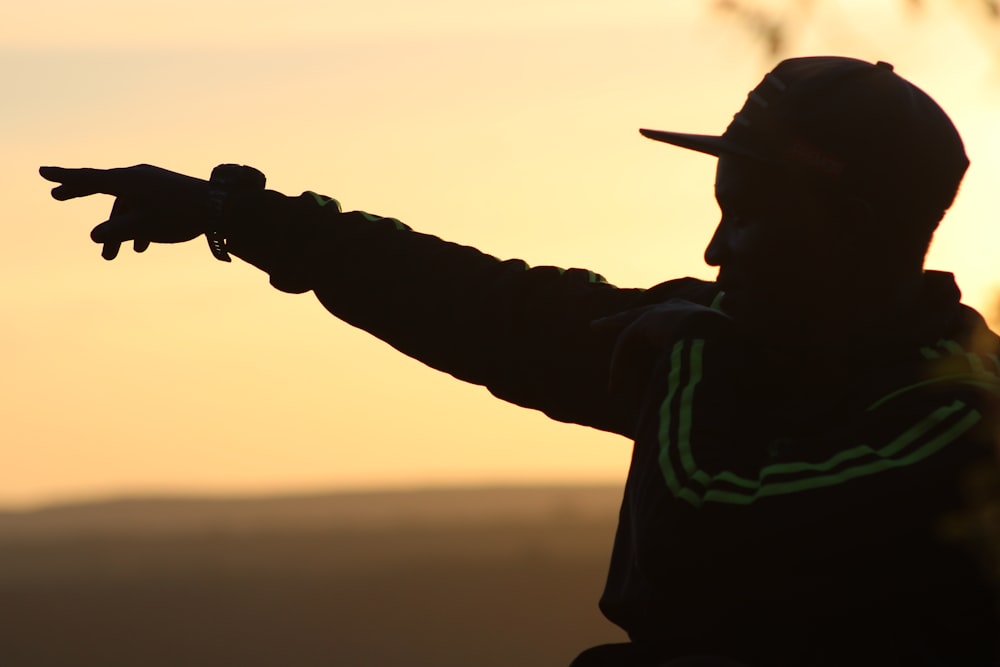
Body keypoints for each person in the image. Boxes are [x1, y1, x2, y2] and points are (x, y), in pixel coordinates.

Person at [41, 56, 1000, 666]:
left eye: (747, 216)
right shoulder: (742, 336)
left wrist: (691, 357)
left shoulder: (953, 414)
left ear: (853, 232)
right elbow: (484, 305)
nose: (714, 250)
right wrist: (230, 214)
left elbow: (706, 540)